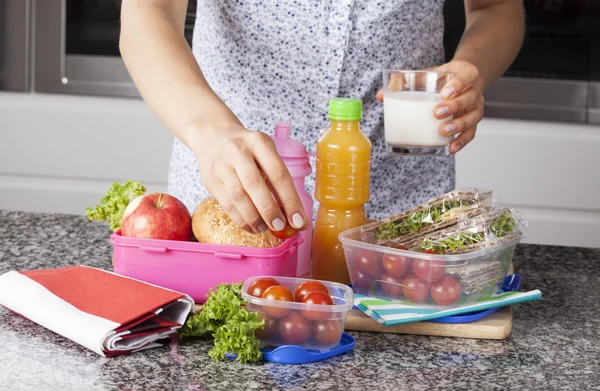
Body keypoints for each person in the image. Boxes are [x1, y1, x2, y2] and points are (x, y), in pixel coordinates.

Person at [119, 0, 524, 236]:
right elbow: (145, 19)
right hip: (233, 211)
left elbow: (496, 8)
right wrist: (211, 132)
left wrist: (470, 67)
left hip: (401, 218)